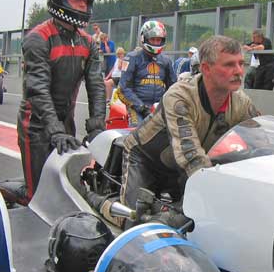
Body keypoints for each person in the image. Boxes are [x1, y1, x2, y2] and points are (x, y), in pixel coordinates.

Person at [87, 35, 260, 227]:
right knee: (136, 223)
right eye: (229, 65)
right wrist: (216, 195)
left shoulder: (241, 102)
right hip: (146, 159)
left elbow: (259, 139)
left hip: (179, 165)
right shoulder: (179, 97)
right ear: (206, 68)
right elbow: (191, 156)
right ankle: (99, 203)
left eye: (240, 63)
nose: (238, 71)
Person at [17, 0, 106, 201]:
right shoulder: (38, 38)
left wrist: (97, 124)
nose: (83, 5)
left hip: (65, 124)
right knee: (37, 196)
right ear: (60, 0)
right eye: (78, 0)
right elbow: (37, 88)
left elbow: (96, 84)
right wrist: (53, 129)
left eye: (86, 1)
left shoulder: (87, 42)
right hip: (35, 126)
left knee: (67, 190)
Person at [118, 20, 176, 126]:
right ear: (143, 38)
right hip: (136, 108)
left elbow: (173, 87)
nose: (156, 42)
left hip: (158, 108)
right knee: (137, 131)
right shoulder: (132, 58)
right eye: (153, 39)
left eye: (158, 40)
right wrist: (142, 108)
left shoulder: (166, 61)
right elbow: (123, 89)